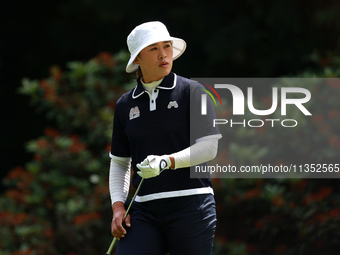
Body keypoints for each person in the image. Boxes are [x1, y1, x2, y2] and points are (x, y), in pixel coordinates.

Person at [109, 21, 222, 255]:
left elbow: (209, 147)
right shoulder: (125, 105)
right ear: (137, 59)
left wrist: (166, 161)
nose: (163, 54)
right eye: (153, 48)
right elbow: (120, 162)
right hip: (144, 211)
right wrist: (118, 207)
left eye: (167, 46)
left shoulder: (193, 91)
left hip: (192, 204)